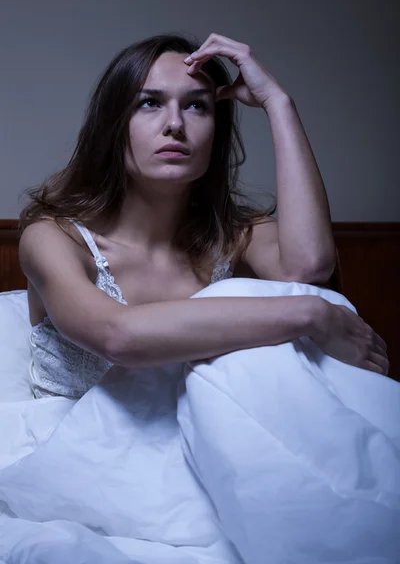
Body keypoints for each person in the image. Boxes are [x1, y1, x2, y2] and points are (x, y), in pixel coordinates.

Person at [18, 32, 389, 400]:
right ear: (114, 125)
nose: (175, 124)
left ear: (217, 130)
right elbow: (118, 336)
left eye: (197, 106)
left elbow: (308, 269)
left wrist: (278, 103)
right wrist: (311, 314)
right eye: (149, 103)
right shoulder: (53, 238)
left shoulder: (236, 236)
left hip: (203, 446)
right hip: (77, 449)